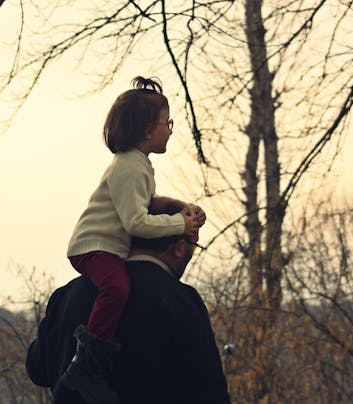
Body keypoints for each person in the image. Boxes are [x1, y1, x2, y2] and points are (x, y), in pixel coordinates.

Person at [61, 76, 204, 402]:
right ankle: (86, 365)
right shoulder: (128, 167)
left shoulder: (140, 166)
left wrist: (186, 212)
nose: (170, 128)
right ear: (147, 131)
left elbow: (147, 206)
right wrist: (179, 226)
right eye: (166, 122)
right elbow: (137, 222)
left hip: (109, 246)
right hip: (95, 247)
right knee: (117, 288)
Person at [26, 215, 231, 404]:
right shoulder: (181, 300)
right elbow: (209, 392)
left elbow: (37, 370)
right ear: (178, 248)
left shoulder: (65, 296)